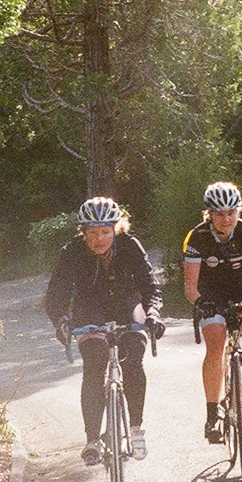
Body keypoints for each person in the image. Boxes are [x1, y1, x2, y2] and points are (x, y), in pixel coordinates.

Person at [44, 196, 166, 466]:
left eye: (105, 232)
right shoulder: (72, 251)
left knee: (133, 356)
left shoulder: (130, 246)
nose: (98, 239)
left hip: (128, 305)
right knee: (95, 360)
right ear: (83, 232)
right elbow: (56, 294)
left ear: (116, 229)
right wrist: (61, 321)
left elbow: (149, 285)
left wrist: (153, 313)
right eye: (92, 233)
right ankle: (92, 439)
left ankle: (136, 428)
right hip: (90, 309)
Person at [182, 180, 242, 443]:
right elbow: (190, 286)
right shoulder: (197, 237)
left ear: (238, 212)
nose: (226, 219)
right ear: (209, 214)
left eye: (231, 213)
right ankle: (212, 414)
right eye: (219, 214)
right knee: (215, 342)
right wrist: (201, 302)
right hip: (211, 292)